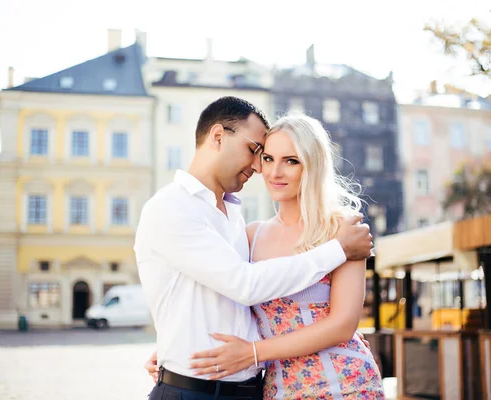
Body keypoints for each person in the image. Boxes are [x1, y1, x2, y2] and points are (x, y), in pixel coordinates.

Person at [134, 97, 374, 400]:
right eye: (259, 153)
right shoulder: (174, 208)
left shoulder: (235, 217)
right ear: (218, 137)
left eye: (290, 160)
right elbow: (244, 284)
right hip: (208, 390)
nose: (262, 168)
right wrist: (175, 351)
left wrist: (188, 343)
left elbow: (225, 304)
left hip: (296, 387)